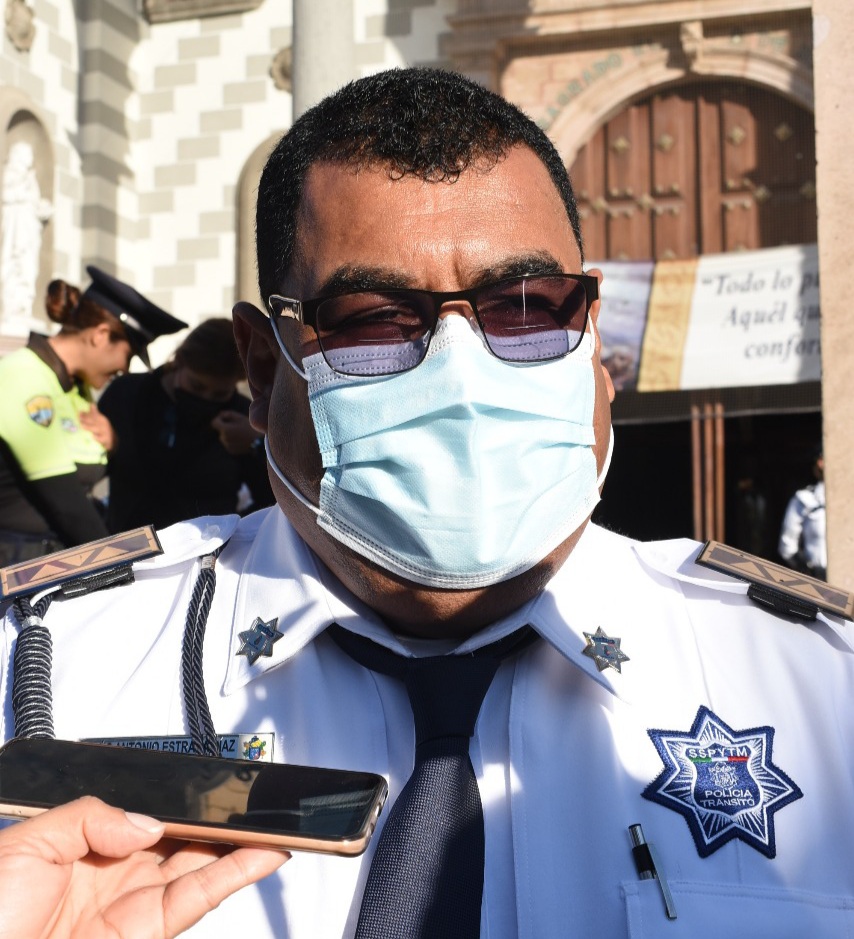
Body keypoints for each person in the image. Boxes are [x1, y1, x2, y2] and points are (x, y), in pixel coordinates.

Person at [2, 68, 854, 938]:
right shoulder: (51, 669)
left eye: (526, 308)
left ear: (592, 334)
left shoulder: (823, 689)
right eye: (375, 319)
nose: (463, 379)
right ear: (262, 367)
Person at [0, 266, 186, 565]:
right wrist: (122, 563)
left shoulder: (75, 386)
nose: (124, 369)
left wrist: (114, 446)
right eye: (128, 354)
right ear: (101, 335)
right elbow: (67, 505)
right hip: (17, 565)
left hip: (49, 558)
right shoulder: (23, 377)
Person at [98, 318, 274, 533]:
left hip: (206, 546)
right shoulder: (127, 394)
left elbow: (271, 502)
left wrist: (257, 446)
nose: (206, 398)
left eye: (219, 394)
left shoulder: (244, 418)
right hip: (127, 540)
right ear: (179, 361)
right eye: (196, 386)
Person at [778, 447, 826, 580]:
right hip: (818, 578)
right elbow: (787, 545)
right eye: (820, 459)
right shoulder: (805, 499)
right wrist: (805, 571)